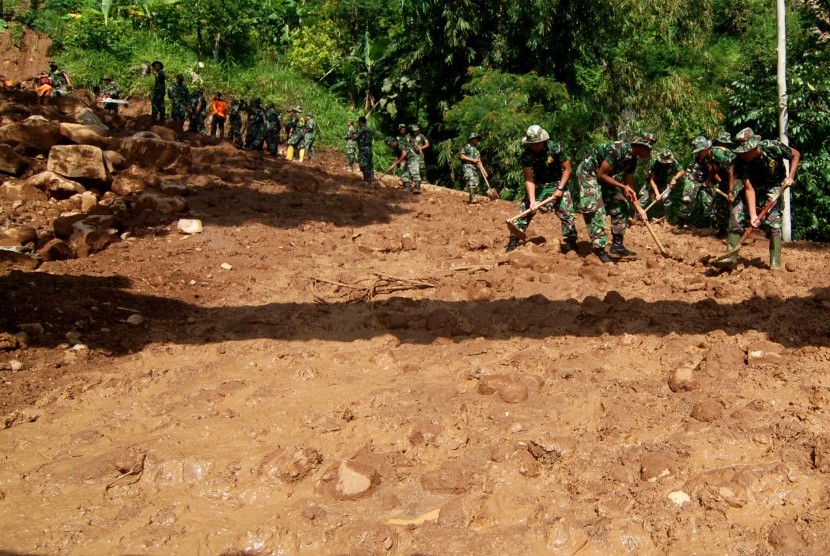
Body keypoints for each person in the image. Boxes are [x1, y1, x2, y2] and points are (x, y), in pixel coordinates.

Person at [723, 127, 800, 269]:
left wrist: (790, 177)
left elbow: (795, 154)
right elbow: (748, 188)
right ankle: (730, 257)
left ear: (754, 146)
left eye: (746, 151)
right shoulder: (740, 161)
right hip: (754, 186)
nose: (744, 154)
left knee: (774, 221)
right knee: (736, 214)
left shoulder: (773, 147)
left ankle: (775, 262)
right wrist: (753, 216)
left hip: (774, 185)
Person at [575, 133, 656, 263]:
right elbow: (602, 175)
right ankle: (599, 250)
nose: (649, 152)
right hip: (589, 174)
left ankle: (617, 246)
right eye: (648, 149)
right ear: (641, 146)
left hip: (604, 177)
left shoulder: (632, 160)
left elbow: (629, 186)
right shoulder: (618, 149)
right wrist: (622, 187)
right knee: (595, 210)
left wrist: (639, 208)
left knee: (621, 204)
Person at [506, 125, 578, 253]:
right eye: (532, 144)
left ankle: (571, 242)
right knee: (526, 209)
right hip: (539, 183)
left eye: (537, 144)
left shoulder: (555, 148)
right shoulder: (526, 154)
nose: (534, 147)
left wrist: (560, 189)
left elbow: (568, 169)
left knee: (566, 213)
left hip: (557, 182)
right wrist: (533, 201)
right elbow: (529, 178)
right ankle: (513, 240)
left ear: (543, 141)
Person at [677, 135, 732, 232]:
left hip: (726, 178)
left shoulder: (717, 153)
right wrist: (711, 180)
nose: (697, 154)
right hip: (694, 177)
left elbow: (729, 169)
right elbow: (713, 169)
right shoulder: (704, 156)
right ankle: (680, 226)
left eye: (699, 151)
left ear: (706, 148)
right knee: (688, 199)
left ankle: (716, 229)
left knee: (710, 202)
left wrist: (729, 189)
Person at [638, 148, 684, 221]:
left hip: (662, 182)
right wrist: (657, 194)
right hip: (650, 182)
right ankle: (635, 218)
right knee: (643, 198)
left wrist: (674, 179)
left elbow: (681, 171)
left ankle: (666, 220)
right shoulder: (653, 162)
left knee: (666, 200)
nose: (665, 163)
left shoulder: (673, 162)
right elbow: (651, 180)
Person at [459, 132, 488, 203]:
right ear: (471, 139)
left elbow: (479, 161)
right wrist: (472, 160)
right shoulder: (467, 147)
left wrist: (484, 171)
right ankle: (472, 198)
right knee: (472, 180)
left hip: (474, 168)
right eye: (475, 139)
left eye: (477, 139)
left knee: (476, 182)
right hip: (468, 166)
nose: (476, 140)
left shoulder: (476, 150)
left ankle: (471, 197)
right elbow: (462, 156)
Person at [355, 116, 374, 183]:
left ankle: (366, 180)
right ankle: (372, 180)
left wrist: (351, 135)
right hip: (369, 149)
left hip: (363, 150)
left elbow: (354, 137)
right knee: (370, 164)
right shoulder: (369, 129)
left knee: (364, 164)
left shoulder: (361, 129)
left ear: (360, 122)